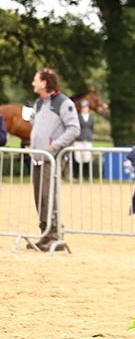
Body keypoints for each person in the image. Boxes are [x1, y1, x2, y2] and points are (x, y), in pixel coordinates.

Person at [28, 68, 80, 251]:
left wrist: (54, 145)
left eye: (36, 80)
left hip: (53, 158)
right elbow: (35, 122)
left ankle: (54, 235)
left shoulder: (64, 103)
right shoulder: (39, 103)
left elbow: (74, 129)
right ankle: (45, 234)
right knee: (39, 197)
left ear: (44, 82)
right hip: (38, 157)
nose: (33, 83)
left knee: (48, 196)